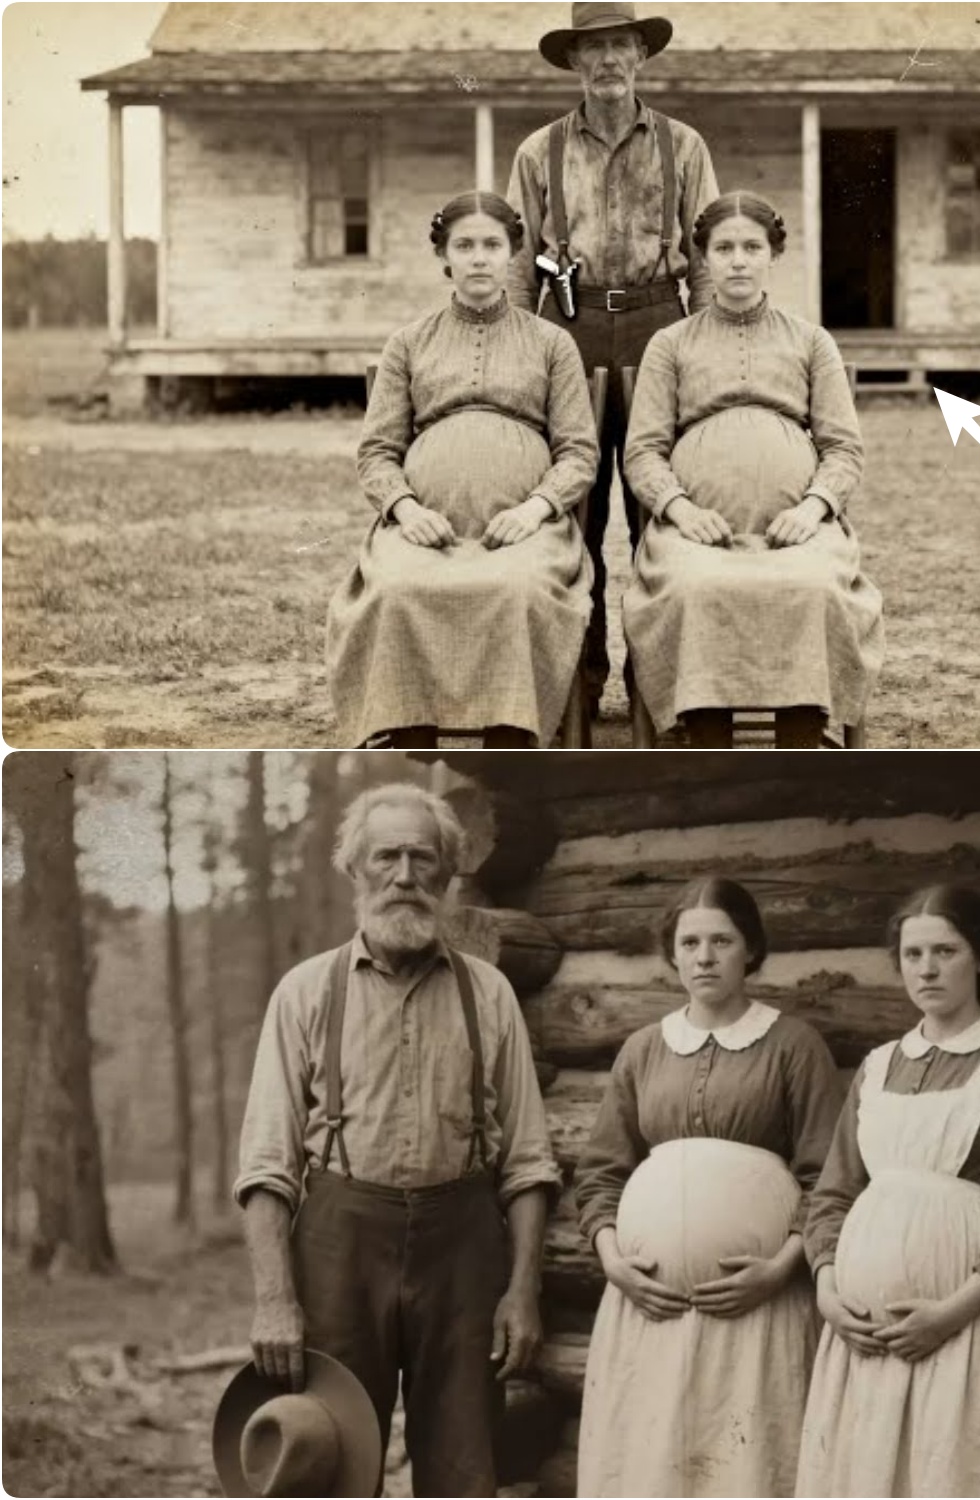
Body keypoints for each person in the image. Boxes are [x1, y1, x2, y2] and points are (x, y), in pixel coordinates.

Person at [233, 784, 563, 1498]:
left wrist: (522, 1290)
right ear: (355, 869)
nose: (405, 876)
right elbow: (265, 1168)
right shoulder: (305, 992)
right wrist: (275, 1300)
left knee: (464, 1468)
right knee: (332, 1462)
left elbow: (529, 1162)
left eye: (423, 858)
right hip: (339, 1249)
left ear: (448, 875)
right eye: (387, 857)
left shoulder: (490, 994)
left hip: (464, 1252)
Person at [796, 886, 980, 1497]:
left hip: (971, 1325)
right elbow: (834, 1193)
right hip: (865, 1342)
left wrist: (949, 1314)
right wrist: (828, 1289)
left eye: (945, 951)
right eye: (912, 954)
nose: (926, 969)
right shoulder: (877, 1066)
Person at [573, 878, 842, 1497]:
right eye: (689, 942)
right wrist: (614, 1262)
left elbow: (829, 1177)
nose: (704, 957)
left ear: (751, 949)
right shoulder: (644, 1050)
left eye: (722, 940)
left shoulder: (793, 1046)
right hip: (649, 1309)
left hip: (758, 1306)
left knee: (745, 1468)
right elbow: (601, 1173)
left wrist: (779, 1269)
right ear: (671, 954)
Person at [326, 190, 598, 750]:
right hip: (427, 524)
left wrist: (534, 510)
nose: (479, 258)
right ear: (444, 256)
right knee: (397, 588)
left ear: (513, 254)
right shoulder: (408, 343)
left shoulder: (552, 343)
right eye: (465, 246)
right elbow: (377, 452)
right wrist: (406, 511)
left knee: (518, 588)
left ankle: (508, 746)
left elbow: (578, 452)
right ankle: (413, 746)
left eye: (492, 246)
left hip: (524, 528)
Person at [506, 1, 719, 716]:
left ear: (641, 55)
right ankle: (581, 679)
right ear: (573, 60)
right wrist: (520, 347)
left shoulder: (684, 145)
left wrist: (706, 341)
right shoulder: (538, 152)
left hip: (662, 322)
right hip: (570, 324)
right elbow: (518, 266)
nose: (607, 61)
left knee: (663, 506)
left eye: (620, 45)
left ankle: (659, 686)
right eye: (592, 49)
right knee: (575, 511)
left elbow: (707, 255)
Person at [622, 192, 885, 748]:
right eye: (724, 249)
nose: (738, 261)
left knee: (813, 586)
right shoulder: (670, 344)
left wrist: (812, 509)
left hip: (797, 527)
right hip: (697, 531)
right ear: (704, 258)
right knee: (696, 586)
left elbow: (843, 448)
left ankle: (799, 739)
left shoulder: (811, 341)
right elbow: (642, 451)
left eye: (751, 248)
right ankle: (709, 740)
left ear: (773, 255)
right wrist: (680, 510)